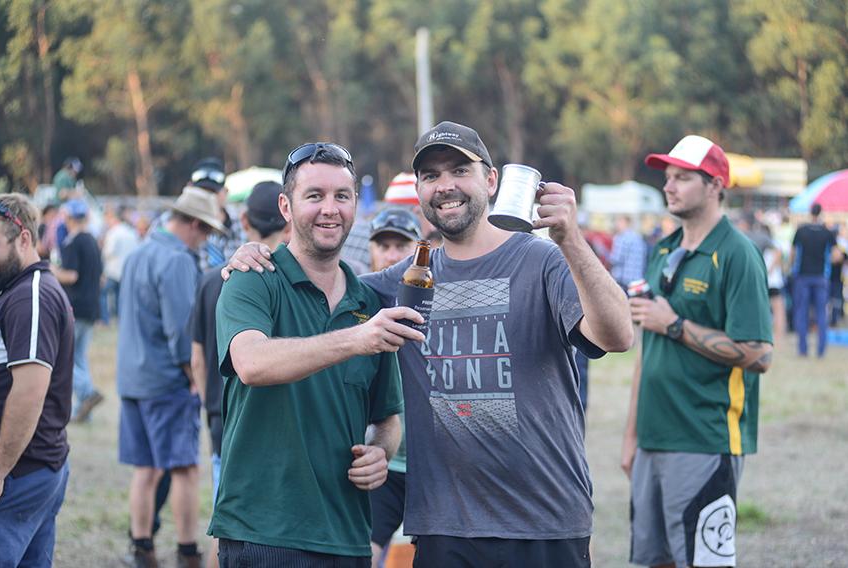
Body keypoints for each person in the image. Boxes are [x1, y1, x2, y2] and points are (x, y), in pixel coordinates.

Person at [225, 122, 633, 567]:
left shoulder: (541, 261)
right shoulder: (396, 285)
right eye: (431, 175)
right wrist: (253, 254)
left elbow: (618, 336)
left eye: (460, 170)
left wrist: (571, 240)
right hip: (444, 530)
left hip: (543, 524)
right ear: (418, 190)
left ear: (490, 180)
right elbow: (331, 289)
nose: (445, 186)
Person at [209, 142, 414, 567]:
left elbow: (387, 416)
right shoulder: (253, 279)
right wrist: (355, 340)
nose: (330, 209)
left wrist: (379, 453)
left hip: (348, 536)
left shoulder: (367, 303)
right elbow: (252, 363)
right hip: (264, 532)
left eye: (342, 196)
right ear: (286, 206)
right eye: (314, 196)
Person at [622, 135, 773, 568]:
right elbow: (647, 350)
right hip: (652, 438)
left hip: (704, 438)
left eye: (682, 178)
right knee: (654, 560)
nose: (668, 186)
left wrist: (675, 325)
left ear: (715, 186)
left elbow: (759, 354)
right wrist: (632, 436)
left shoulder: (738, 253)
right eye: (668, 177)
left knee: (703, 561)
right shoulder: (664, 248)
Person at [117, 186, 225, 568]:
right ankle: (186, 551)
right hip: (167, 382)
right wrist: (195, 378)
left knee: (145, 469)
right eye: (206, 231)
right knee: (184, 469)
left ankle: (141, 547)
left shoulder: (139, 252)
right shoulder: (178, 261)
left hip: (132, 378)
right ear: (194, 224)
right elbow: (182, 332)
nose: (206, 239)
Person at [189, 180, 291, 568]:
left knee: (227, 517)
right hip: (271, 420)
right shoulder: (285, 283)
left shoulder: (212, 279)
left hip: (221, 416)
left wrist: (209, 402)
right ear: (287, 217)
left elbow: (197, 357)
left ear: (244, 219)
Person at [0, 194, 73, 567]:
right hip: (33, 467)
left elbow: (29, 392)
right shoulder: (18, 290)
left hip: (22, 472)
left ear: (23, 239)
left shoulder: (31, 296)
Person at [365, 207, 422, 568]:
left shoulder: (438, 298)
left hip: (432, 465)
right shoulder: (358, 301)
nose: (391, 255)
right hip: (381, 462)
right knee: (363, 553)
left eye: (400, 246)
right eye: (383, 245)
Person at [51, 199, 104, 423]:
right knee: (79, 357)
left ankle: (87, 392)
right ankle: (85, 411)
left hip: (75, 307)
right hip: (91, 307)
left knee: (64, 358)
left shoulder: (72, 242)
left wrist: (51, 270)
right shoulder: (92, 240)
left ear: (69, 218)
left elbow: (71, 275)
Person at [790, 203, 839, 357]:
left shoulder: (801, 231)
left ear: (810, 212)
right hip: (821, 277)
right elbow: (836, 255)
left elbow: (793, 253)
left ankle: (802, 349)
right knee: (821, 314)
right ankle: (821, 350)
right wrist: (826, 262)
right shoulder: (827, 232)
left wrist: (792, 268)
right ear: (821, 213)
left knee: (802, 313)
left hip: (803, 276)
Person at [100, 205, 140, 323]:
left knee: (103, 293)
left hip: (113, 270)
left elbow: (108, 252)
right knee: (120, 296)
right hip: (126, 270)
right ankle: (120, 318)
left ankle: (105, 319)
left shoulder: (113, 233)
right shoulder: (131, 232)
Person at [609, 214, 647, 287]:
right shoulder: (638, 237)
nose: (616, 225)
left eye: (619, 222)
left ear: (625, 223)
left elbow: (615, 259)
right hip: (637, 279)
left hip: (623, 280)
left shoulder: (621, 238)